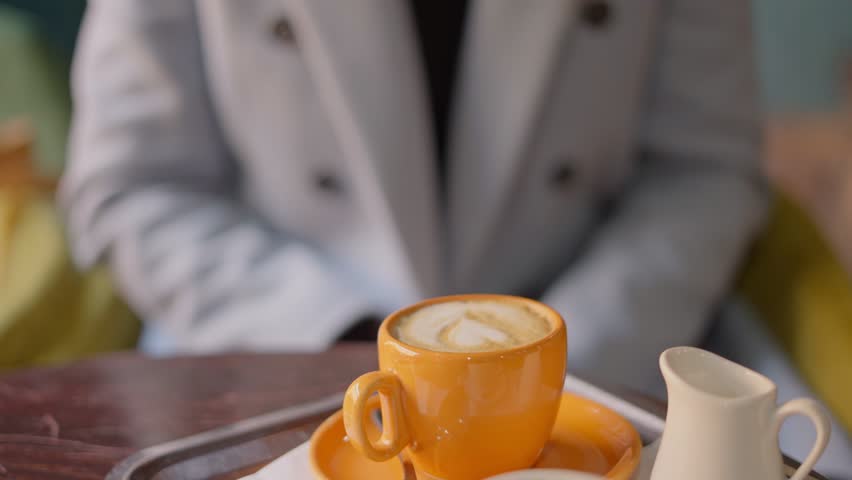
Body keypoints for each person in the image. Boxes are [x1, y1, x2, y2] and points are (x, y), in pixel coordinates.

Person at [61, 0, 766, 393]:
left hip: (603, 346)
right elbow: (133, 184)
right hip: (275, 347)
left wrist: (565, 356)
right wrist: (335, 339)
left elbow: (702, 168)